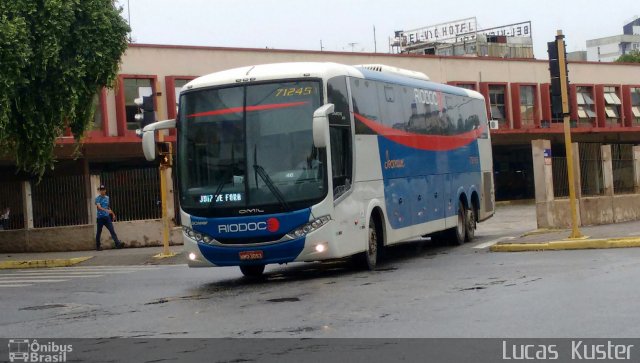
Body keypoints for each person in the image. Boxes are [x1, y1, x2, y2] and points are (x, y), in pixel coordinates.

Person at [95, 185, 123, 250]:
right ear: (100, 191)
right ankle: (98, 246)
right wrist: (106, 210)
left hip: (107, 217)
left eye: (103, 190)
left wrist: (113, 214)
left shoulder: (107, 198)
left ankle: (117, 244)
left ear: (105, 190)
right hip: (100, 218)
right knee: (99, 232)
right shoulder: (97, 198)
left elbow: (108, 207)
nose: (102, 191)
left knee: (112, 230)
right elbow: (99, 207)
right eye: (101, 190)